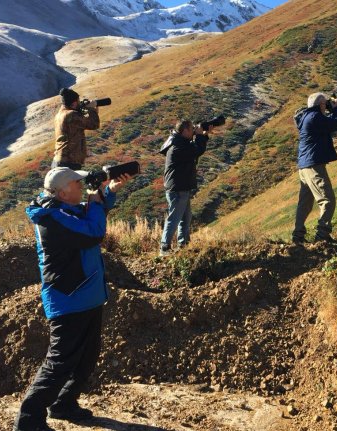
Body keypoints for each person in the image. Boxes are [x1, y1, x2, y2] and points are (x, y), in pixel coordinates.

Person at [14, 167, 131, 431]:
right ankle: (28, 421)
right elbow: (93, 233)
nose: (81, 186)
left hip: (85, 295)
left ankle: (63, 404)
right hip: (68, 298)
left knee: (86, 358)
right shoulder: (52, 218)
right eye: (77, 183)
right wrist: (96, 200)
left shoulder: (62, 209)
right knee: (60, 361)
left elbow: (85, 215)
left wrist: (107, 192)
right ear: (64, 191)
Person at [292, 92, 337, 244]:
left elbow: (327, 123)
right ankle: (322, 235)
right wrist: (336, 109)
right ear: (320, 105)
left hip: (304, 167)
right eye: (325, 103)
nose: (326, 105)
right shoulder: (315, 117)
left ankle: (298, 236)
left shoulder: (307, 117)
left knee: (305, 203)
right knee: (327, 200)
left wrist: (332, 109)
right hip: (314, 165)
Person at [158, 119, 212, 256]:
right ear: (185, 131)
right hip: (178, 188)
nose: (194, 130)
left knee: (185, 217)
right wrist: (200, 135)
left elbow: (194, 149)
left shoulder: (179, 142)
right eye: (192, 128)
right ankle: (164, 248)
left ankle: (183, 245)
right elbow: (196, 151)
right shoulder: (178, 146)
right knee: (175, 217)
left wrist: (203, 135)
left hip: (181, 187)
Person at [52, 88, 100, 170]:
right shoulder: (72, 115)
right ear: (74, 103)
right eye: (78, 102)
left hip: (60, 161)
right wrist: (91, 109)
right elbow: (94, 124)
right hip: (69, 162)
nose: (79, 104)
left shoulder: (59, 115)